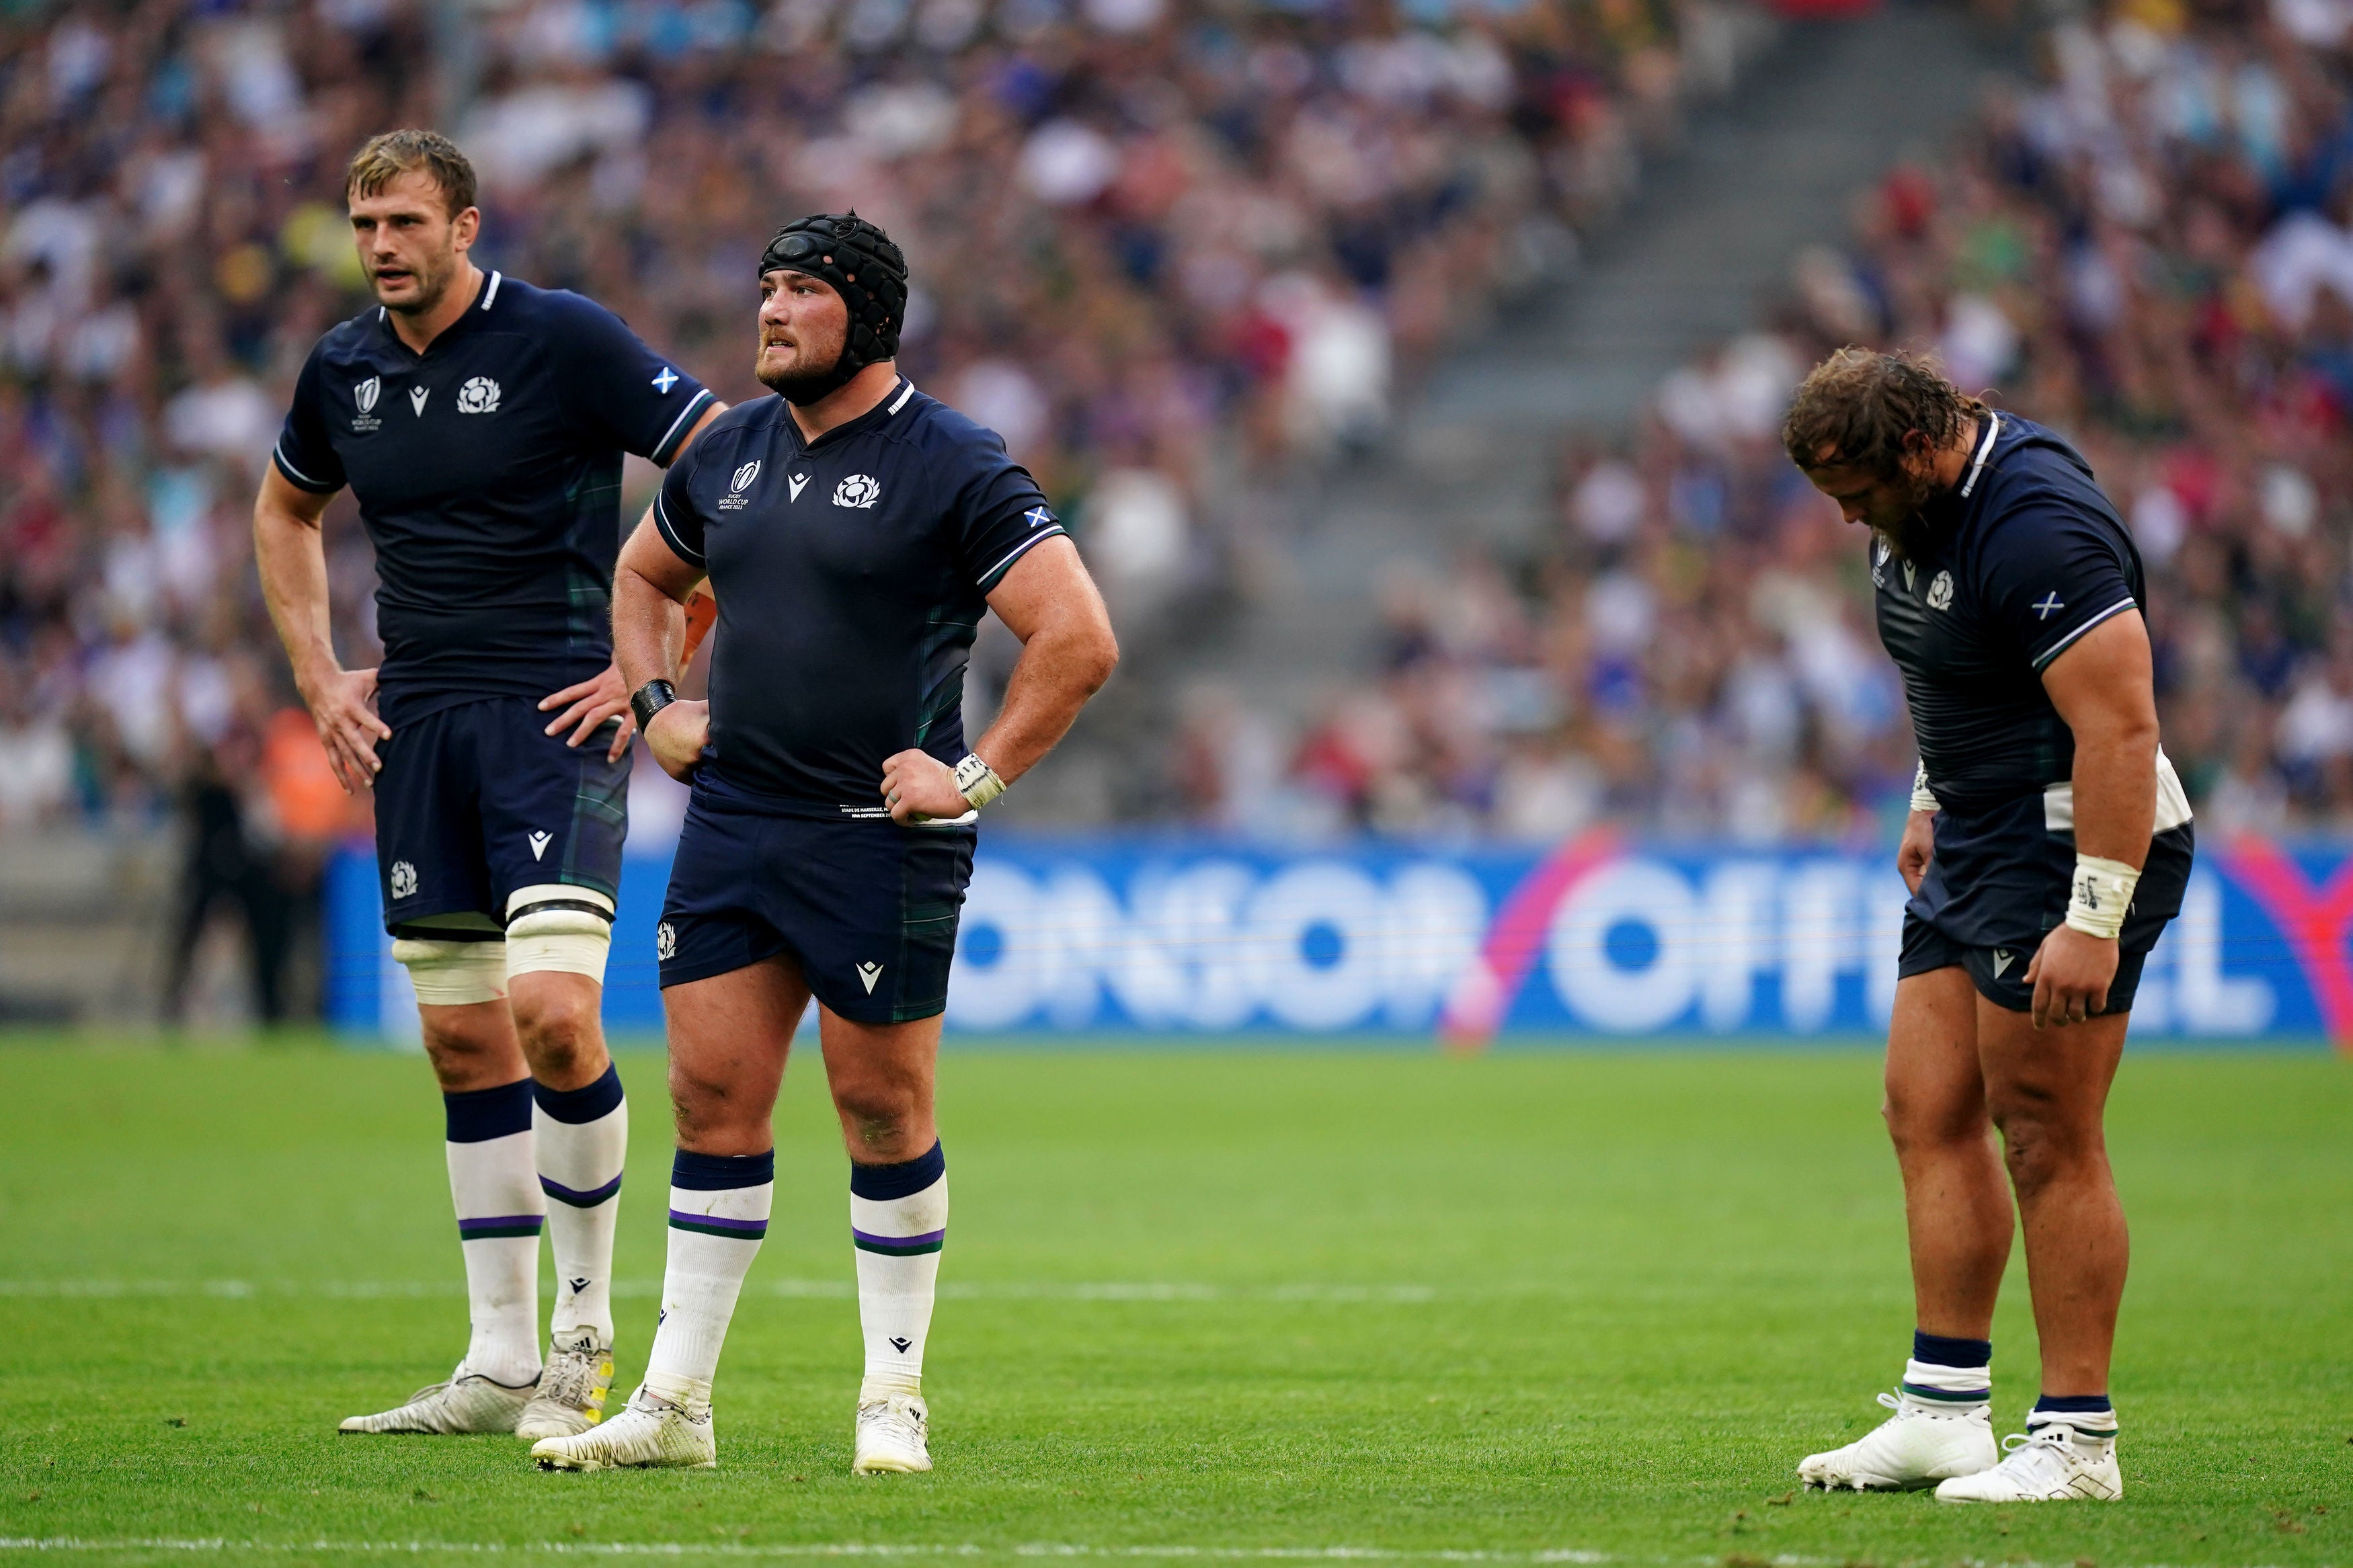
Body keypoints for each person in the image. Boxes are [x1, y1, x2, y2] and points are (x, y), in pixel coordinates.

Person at [527, 213, 1118, 1476]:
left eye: (801, 291)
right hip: (738, 825)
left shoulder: (952, 461)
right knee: (710, 1099)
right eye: (766, 289)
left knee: (882, 1107)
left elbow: (1078, 636)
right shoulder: (728, 451)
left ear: (868, 314)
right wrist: (652, 706)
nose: (772, 312)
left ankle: (892, 1398)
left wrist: (976, 773)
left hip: (879, 839)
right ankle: (676, 1404)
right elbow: (641, 581)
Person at [252, 129, 723, 1440]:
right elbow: (285, 511)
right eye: (364, 225)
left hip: (554, 713)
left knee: (555, 1017)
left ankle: (583, 1341)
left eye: (404, 222)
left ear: (466, 225)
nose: (382, 248)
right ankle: (499, 1361)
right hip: (417, 723)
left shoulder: (561, 338)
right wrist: (319, 673)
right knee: (463, 1039)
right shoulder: (341, 370)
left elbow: (726, 461)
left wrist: (661, 655)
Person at [1783, 349, 2193, 1503]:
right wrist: (1928, 791)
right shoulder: (1917, 507)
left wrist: (2095, 915)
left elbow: (2118, 729)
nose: (1849, 516)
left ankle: (2077, 1438)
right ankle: (1945, 1408)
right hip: (1976, 828)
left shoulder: (2039, 529)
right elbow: (1962, 667)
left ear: (1919, 449)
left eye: (1858, 494)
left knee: (2046, 1130)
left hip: (2073, 836)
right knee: (1925, 1107)